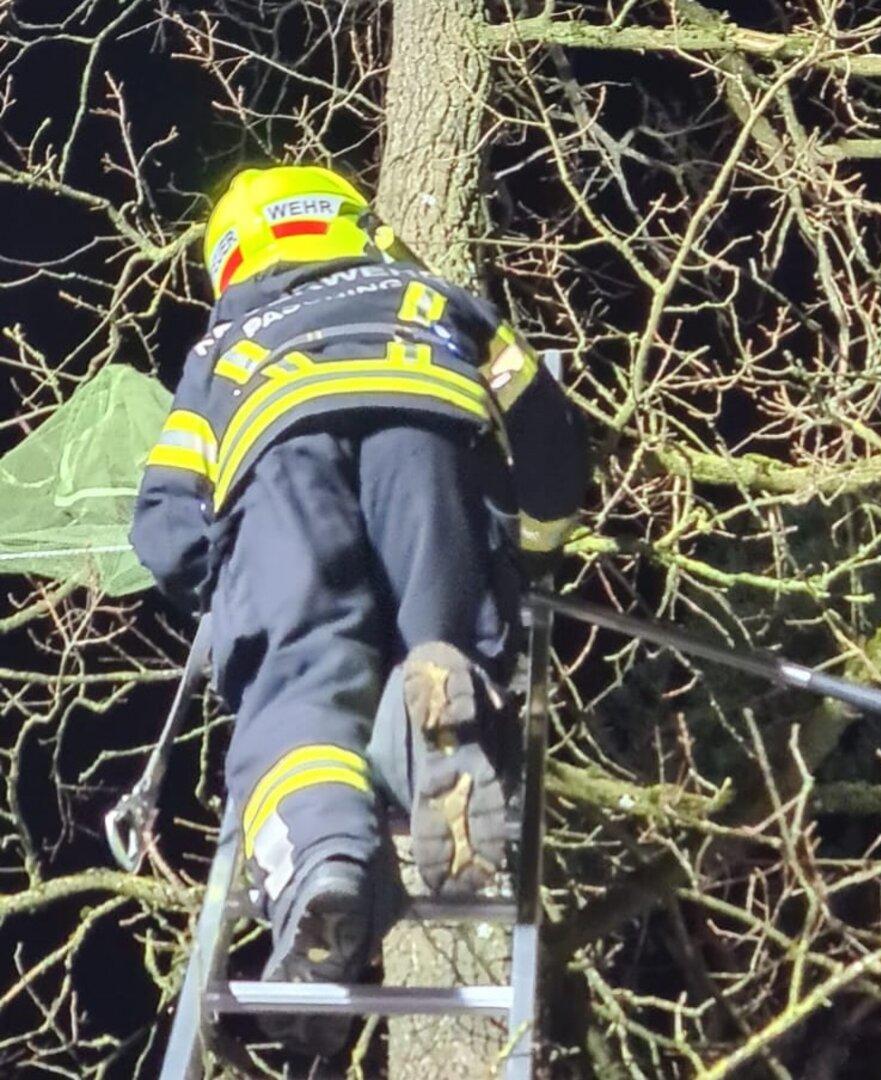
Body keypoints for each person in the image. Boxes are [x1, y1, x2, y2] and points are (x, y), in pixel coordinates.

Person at [130, 164, 587, 1055]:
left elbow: (166, 522)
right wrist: (525, 552)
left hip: (279, 464)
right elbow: (545, 427)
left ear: (233, 256)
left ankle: (326, 863)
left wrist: (228, 590)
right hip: (432, 434)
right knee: (442, 638)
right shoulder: (427, 292)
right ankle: (437, 713)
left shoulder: (224, 343)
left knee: (301, 690)